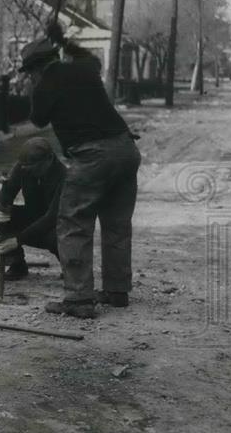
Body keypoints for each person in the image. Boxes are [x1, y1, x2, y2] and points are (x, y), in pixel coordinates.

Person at [19, 25, 141, 318]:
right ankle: (117, 290)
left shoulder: (45, 83)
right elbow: (89, 57)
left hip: (92, 156)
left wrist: (35, 87)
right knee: (117, 224)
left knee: (73, 221)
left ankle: (78, 299)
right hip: (126, 149)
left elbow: (37, 119)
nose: (30, 78)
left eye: (29, 73)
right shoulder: (85, 68)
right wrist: (65, 41)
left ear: (36, 68)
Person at [0, 136, 65, 280]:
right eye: (25, 167)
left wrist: (18, 239)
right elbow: (6, 192)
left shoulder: (64, 176)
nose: (28, 171)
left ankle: (68, 266)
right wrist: (1, 207)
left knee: (60, 235)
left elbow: (52, 217)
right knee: (0, 215)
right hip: (34, 215)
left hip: (56, 223)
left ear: (49, 159)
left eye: (34, 168)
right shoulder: (23, 167)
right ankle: (17, 264)